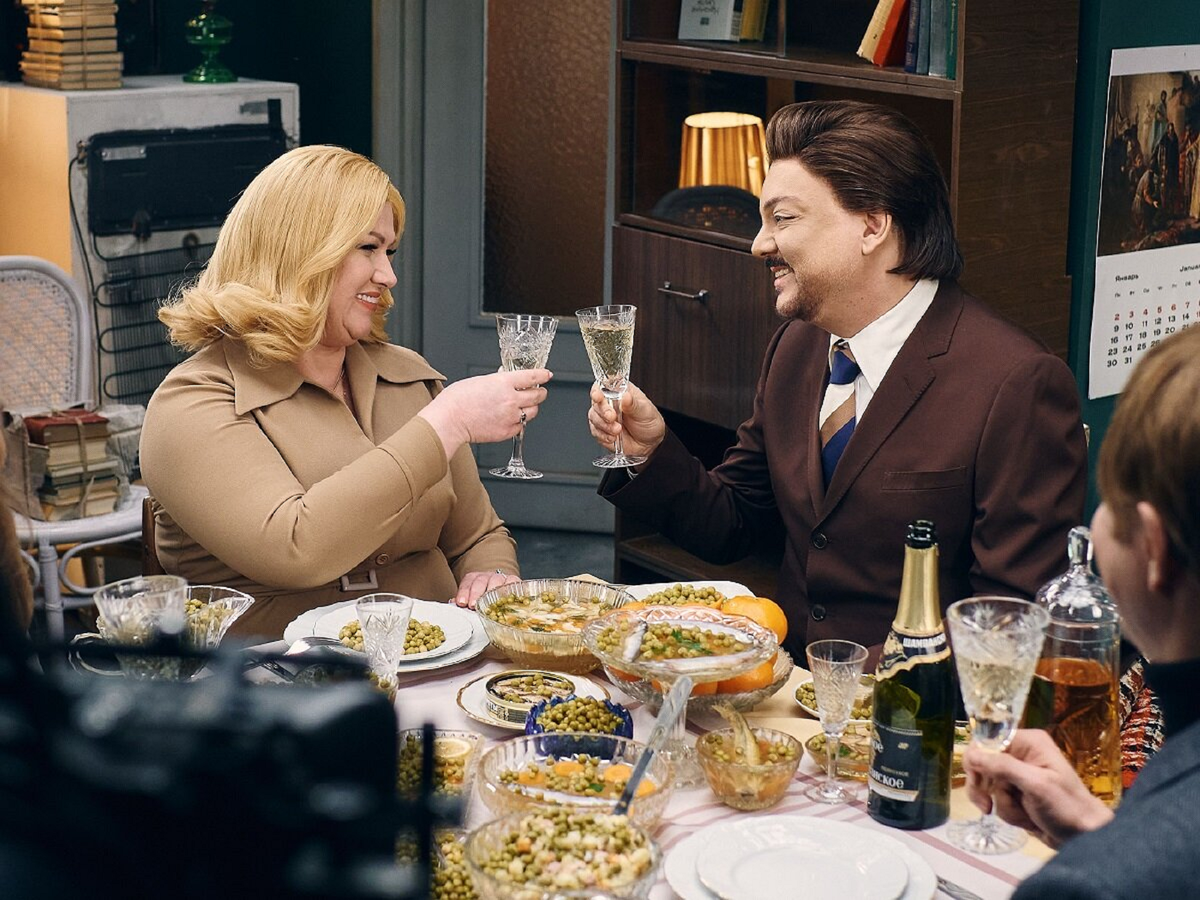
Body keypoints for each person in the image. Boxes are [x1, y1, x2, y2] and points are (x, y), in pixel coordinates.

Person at [587, 101, 1087, 661]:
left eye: (783, 218)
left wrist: (850, 677)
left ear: (872, 225)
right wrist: (649, 452)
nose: (759, 244)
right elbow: (735, 522)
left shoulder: (1016, 382)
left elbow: (1012, 621)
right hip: (789, 694)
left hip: (912, 707)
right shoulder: (796, 348)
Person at [141, 145, 550, 638]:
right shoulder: (192, 404)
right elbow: (296, 548)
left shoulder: (407, 377)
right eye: (368, 248)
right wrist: (447, 423)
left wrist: (493, 574)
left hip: (442, 660)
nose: (389, 275)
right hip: (277, 675)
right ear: (299, 252)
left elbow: (477, 535)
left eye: (389, 251)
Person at [964, 325, 1200, 899]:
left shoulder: (1087, 887)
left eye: (1109, 502)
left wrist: (1109, 857)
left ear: (1153, 547)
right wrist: (1103, 832)